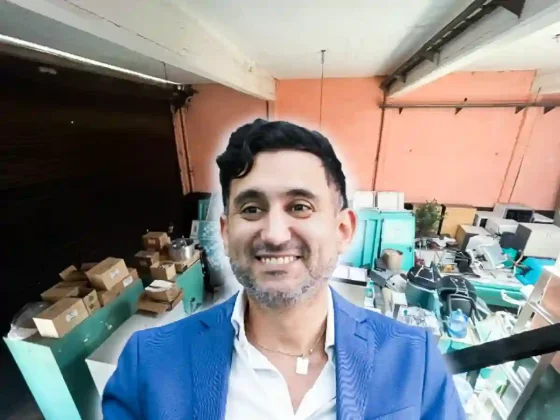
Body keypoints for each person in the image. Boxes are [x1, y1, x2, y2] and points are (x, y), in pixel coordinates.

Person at [103, 119, 465, 419]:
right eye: (251, 209)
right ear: (226, 233)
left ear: (342, 230)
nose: (274, 235)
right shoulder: (148, 364)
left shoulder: (414, 362)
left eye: (300, 206)